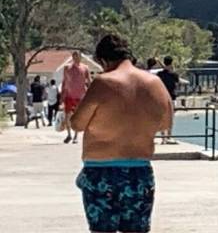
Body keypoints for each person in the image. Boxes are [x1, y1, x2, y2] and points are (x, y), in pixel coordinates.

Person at [70, 34, 173, 233]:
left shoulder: (103, 82)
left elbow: (77, 124)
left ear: (103, 60)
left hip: (100, 172)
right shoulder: (155, 83)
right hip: (139, 171)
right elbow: (165, 123)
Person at [62, 51, 91, 144]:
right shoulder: (67, 68)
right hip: (69, 95)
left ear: (80, 57)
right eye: (74, 57)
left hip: (80, 95)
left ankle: (76, 136)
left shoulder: (85, 68)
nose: (75, 58)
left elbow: (89, 81)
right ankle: (69, 135)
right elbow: (64, 82)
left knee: (77, 117)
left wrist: (91, 93)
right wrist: (62, 96)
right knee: (67, 116)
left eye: (77, 56)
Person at [156, 57, 181, 145]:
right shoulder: (174, 75)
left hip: (161, 97)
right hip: (172, 98)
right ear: (171, 63)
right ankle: (169, 136)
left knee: (162, 118)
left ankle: (163, 138)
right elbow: (177, 82)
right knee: (170, 118)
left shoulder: (159, 74)